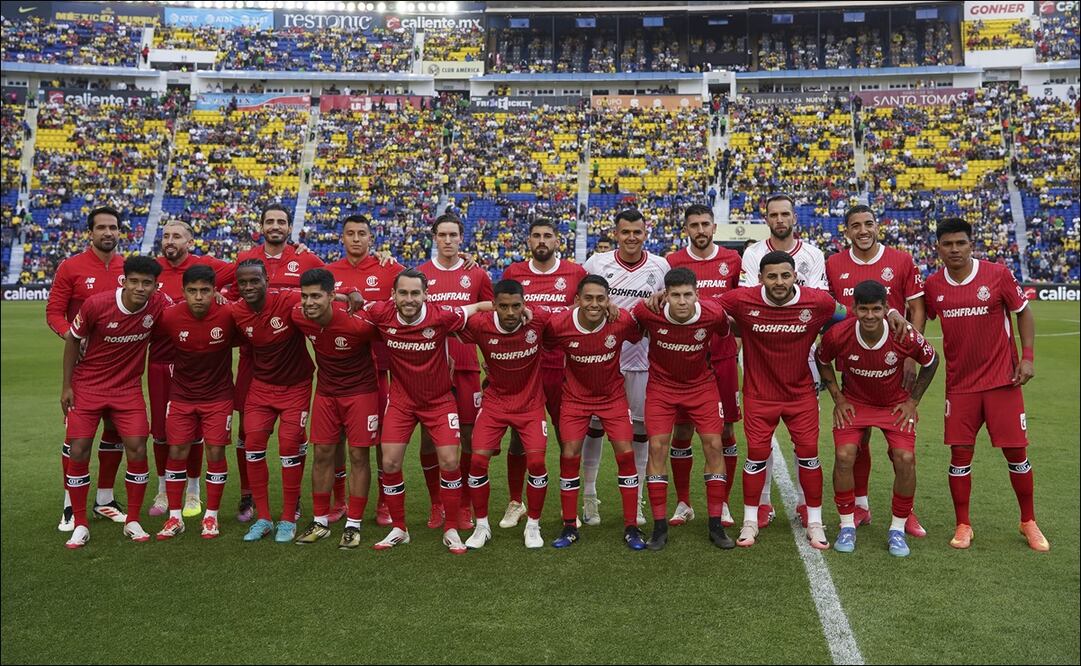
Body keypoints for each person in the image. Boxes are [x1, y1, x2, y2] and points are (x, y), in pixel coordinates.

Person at [721, 251, 876, 549]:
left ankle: (815, 522)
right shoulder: (742, 299)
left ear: (795, 276)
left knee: (808, 455)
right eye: (772, 276)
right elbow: (706, 306)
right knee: (755, 456)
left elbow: (850, 314)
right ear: (760, 278)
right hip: (759, 395)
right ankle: (750, 521)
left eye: (785, 275)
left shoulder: (816, 301)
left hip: (800, 394)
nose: (779, 282)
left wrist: (892, 314)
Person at [923, 218, 1048, 552]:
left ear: (971, 244)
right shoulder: (933, 285)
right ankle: (963, 524)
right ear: (938, 247)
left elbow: (1023, 311)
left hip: (1002, 381)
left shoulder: (997, 274)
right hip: (960, 386)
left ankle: (1028, 521)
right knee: (960, 456)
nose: (954, 249)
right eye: (947, 244)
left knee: (1016, 453)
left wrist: (1028, 356)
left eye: (960, 243)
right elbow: (919, 314)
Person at [364, 269, 493, 554]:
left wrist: (501, 307)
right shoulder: (380, 312)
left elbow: (475, 308)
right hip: (401, 401)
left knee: (449, 461)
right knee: (390, 463)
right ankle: (400, 527)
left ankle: (451, 530)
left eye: (415, 293)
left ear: (425, 295)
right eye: (403, 293)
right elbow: (354, 301)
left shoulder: (441, 315)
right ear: (393, 295)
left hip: (439, 400)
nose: (409, 299)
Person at [825, 204, 928, 537]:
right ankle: (861, 506)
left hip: (895, 362)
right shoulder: (834, 263)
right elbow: (832, 311)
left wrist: (911, 356)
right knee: (858, 442)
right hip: (854, 363)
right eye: (855, 225)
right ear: (847, 231)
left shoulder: (900, 260)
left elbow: (917, 307)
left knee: (899, 448)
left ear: (877, 226)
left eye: (868, 224)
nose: (863, 230)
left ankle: (905, 513)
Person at [815, 280, 939, 557]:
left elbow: (932, 361)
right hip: (856, 403)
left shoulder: (903, 334)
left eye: (875, 309)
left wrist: (912, 401)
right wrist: (839, 398)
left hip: (894, 405)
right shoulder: (838, 335)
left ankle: (897, 528)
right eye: (863, 310)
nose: (869, 316)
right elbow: (821, 359)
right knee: (845, 455)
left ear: (886, 309)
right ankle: (847, 524)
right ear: (854, 309)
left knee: (905, 458)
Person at [61, 256, 169, 548]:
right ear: (124, 280)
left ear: (155, 286)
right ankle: (80, 523)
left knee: (136, 447)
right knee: (79, 449)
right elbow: (72, 340)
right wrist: (66, 386)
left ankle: (132, 519)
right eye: (134, 281)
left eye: (147, 283)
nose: (140, 288)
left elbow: (183, 312)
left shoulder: (159, 304)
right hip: (88, 386)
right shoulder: (97, 304)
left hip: (127, 388)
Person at [738, 193, 828, 528]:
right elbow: (750, 299)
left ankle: (806, 504)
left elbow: (816, 300)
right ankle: (761, 504)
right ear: (767, 218)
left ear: (794, 217)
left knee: (804, 437)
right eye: (774, 214)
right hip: (759, 352)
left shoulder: (813, 255)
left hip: (801, 355)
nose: (780, 220)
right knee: (761, 441)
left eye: (785, 214)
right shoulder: (752, 253)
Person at [231, 205, 323, 524]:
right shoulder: (245, 260)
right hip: (252, 360)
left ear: (289, 227)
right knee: (248, 432)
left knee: (292, 437)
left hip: (290, 357)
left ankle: (293, 499)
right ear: (261, 226)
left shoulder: (307, 259)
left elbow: (327, 288)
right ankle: (248, 496)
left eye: (281, 222)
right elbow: (228, 297)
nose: (275, 226)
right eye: (269, 221)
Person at [631, 268, 734, 550]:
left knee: (714, 444)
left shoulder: (713, 313)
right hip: (662, 388)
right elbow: (630, 328)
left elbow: (727, 333)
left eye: (688, 294)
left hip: (701, 387)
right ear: (665, 295)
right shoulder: (646, 311)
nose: (681, 301)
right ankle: (659, 527)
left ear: (697, 295)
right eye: (675, 295)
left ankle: (715, 525)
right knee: (657, 448)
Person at [543, 275, 647, 551]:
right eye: (588, 298)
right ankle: (568, 525)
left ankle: (631, 527)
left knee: (625, 455)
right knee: (568, 455)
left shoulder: (620, 320)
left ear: (608, 300)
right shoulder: (560, 324)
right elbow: (545, 343)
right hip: (575, 399)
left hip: (612, 397)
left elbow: (638, 333)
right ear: (577, 300)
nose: (594, 304)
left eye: (600, 298)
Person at [581, 209, 670, 527]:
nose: (631, 237)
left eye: (637, 231)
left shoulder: (660, 266)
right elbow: (581, 304)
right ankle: (589, 497)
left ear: (646, 233)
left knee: (641, 430)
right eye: (625, 232)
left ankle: (639, 500)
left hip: (645, 361)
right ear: (615, 234)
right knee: (594, 428)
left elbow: (667, 305)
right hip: (603, 359)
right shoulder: (596, 264)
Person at [498, 219, 585, 528]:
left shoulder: (576, 273)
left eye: (548, 235)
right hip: (524, 367)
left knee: (567, 436)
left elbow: (584, 313)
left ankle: (568, 503)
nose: (542, 240)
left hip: (562, 366)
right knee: (519, 438)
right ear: (529, 240)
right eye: (536, 235)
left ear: (557, 240)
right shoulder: (514, 273)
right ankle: (515, 502)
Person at [148, 221, 237, 521]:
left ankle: (194, 492)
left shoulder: (206, 265)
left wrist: (224, 295)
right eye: (166, 236)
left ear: (190, 241)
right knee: (162, 434)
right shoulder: (152, 269)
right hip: (160, 362)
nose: (170, 240)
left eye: (177, 236)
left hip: (200, 364)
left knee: (199, 435)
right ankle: (162, 490)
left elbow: (246, 269)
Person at [48, 206, 128, 531]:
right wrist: (72, 336)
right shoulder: (71, 267)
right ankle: (71, 504)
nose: (108, 233)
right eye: (102, 228)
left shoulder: (128, 267)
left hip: (122, 368)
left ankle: (105, 500)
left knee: (116, 432)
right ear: (90, 232)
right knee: (76, 439)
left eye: (113, 228)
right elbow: (53, 312)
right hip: (84, 369)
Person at [458, 279, 553, 549]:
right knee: (477, 461)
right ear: (494, 306)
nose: (510, 313)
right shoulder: (480, 324)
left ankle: (533, 525)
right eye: (503, 307)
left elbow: (572, 312)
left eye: (516, 306)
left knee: (536, 463)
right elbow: (445, 318)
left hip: (531, 404)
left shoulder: (538, 320)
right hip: (495, 405)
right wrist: (479, 305)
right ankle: (482, 526)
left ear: (524, 305)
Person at [665, 204, 743, 527]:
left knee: (725, 430)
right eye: (693, 225)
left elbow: (742, 305)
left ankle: (722, 502)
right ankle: (684, 502)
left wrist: (735, 343)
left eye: (705, 224)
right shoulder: (672, 262)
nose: (700, 230)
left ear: (714, 228)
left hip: (722, 358)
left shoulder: (732, 261)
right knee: (681, 430)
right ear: (686, 229)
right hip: (684, 360)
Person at [291, 268, 379, 549]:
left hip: (361, 394)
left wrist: (353, 295)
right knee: (323, 454)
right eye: (305, 296)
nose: (309, 303)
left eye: (316, 296)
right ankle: (320, 521)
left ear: (330, 297)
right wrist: (346, 292)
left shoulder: (359, 324)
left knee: (357, 455)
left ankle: (353, 524)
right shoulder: (299, 316)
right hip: (326, 394)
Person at [417, 214, 493, 531]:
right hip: (428, 366)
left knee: (467, 436)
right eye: (442, 235)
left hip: (465, 365)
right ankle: (437, 504)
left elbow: (491, 312)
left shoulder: (476, 274)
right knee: (428, 439)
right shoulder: (420, 275)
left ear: (462, 238)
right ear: (434, 237)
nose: (448, 240)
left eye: (453, 235)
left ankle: (462, 504)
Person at [326, 214, 402, 527]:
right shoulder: (328, 273)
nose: (356, 239)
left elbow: (423, 286)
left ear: (372, 239)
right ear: (341, 239)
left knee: (384, 437)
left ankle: (384, 503)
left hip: (381, 367)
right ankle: (340, 501)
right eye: (350, 234)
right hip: (339, 368)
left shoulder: (388, 269)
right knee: (339, 438)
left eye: (362, 234)